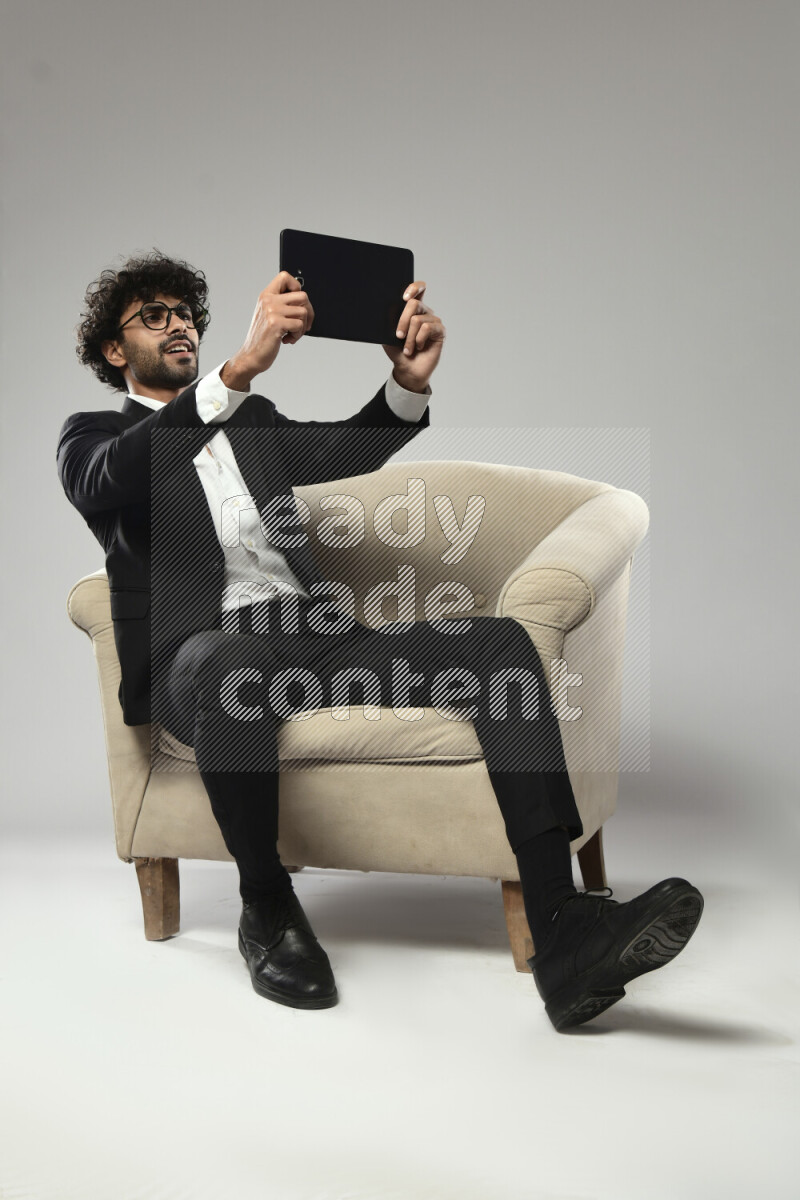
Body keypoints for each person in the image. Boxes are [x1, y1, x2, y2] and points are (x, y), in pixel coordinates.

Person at [58, 250, 704, 1031]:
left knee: (497, 646)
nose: (180, 327)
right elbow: (112, 477)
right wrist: (232, 373)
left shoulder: (252, 422)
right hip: (203, 654)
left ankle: (563, 930)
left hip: (313, 640)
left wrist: (408, 381)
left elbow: (341, 453)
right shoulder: (92, 437)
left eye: (186, 314)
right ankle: (265, 906)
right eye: (153, 318)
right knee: (228, 665)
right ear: (113, 351)